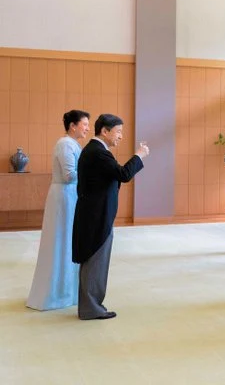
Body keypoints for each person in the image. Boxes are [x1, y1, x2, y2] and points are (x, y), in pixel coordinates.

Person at [72, 114, 148, 320]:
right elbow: (123, 174)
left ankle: (91, 306)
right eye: (118, 132)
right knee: (95, 260)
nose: (121, 136)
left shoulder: (96, 151)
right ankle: (90, 308)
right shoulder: (98, 152)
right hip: (96, 216)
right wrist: (139, 155)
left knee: (94, 260)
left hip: (95, 214)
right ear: (104, 131)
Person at [26, 110, 90, 311]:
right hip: (64, 196)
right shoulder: (65, 144)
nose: (87, 128)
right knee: (62, 240)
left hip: (70, 194)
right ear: (73, 125)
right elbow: (70, 175)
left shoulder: (72, 144)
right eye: (85, 124)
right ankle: (57, 293)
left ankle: (67, 291)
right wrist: (92, 173)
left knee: (68, 240)